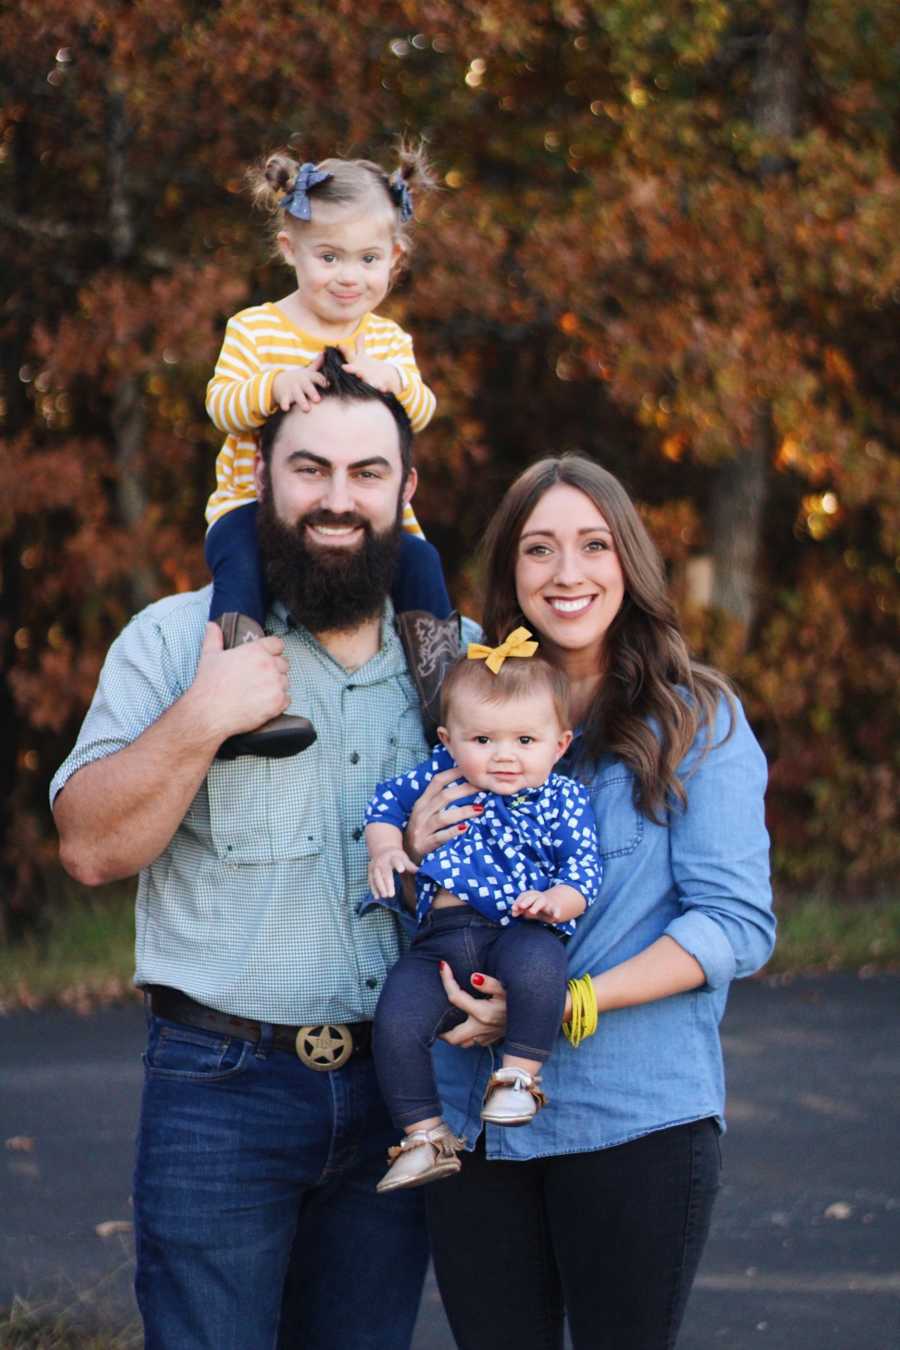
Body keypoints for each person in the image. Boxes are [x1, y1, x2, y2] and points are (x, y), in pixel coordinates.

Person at [50, 352, 444, 1350]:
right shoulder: (175, 640)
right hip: (220, 1089)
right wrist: (200, 718)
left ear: (407, 491)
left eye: (365, 475)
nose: (336, 500)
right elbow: (91, 847)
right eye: (309, 469)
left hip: (400, 1092)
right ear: (261, 479)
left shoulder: (459, 670)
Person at [400, 454, 776, 1350]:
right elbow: (429, 911)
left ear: (628, 561)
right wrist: (411, 850)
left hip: (632, 1118)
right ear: (511, 573)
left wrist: (566, 1003)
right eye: (539, 549)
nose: (567, 574)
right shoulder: (462, 716)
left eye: (592, 545)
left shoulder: (699, 721)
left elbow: (734, 924)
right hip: (473, 1126)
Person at [204, 141, 450, 758]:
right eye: (329, 256)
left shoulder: (389, 341)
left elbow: (423, 413)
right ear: (292, 251)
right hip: (252, 509)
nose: (348, 276)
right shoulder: (256, 328)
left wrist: (399, 385)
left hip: (367, 518)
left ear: (395, 259)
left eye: (368, 258)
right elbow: (219, 404)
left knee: (424, 565)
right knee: (240, 572)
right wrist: (269, 388)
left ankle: (446, 698)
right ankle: (242, 704)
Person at [364, 640, 602, 1193]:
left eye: (525, 740)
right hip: (438, 941)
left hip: (517, 928)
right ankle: (425, 1135)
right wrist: (387, 850)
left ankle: (519, 1075)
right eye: (482, 739)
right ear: (448, 742)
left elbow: (582, 874)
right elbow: (382, 806)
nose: (503, 755)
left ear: (560, 744)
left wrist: (555, 902)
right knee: (396, 1022)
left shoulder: (562, 798)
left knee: (541, 969)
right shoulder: (439, 778)